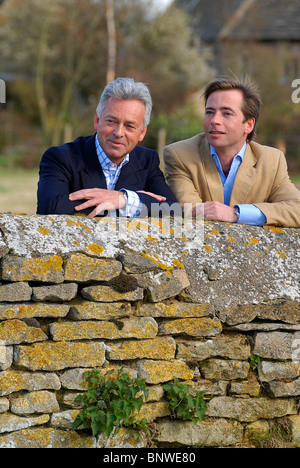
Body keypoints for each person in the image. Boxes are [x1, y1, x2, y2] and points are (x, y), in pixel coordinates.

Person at [163, 77, 300, 227]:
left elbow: (296, 209)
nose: (214, 120)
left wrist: (236, 213)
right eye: (209, 112)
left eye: (227, 113)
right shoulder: (179, 154)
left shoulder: (271, 160)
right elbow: (191, 211)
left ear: (248, 125)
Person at [37, 77, 177, 218]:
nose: (118, 133)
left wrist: (123, 199)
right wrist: (133, 203)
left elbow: (172, 209)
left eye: (129, 126)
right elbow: (50, 207)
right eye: (111, 121)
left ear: (142, 133)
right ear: (97, 121)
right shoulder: (60, 157)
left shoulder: (147, 160)